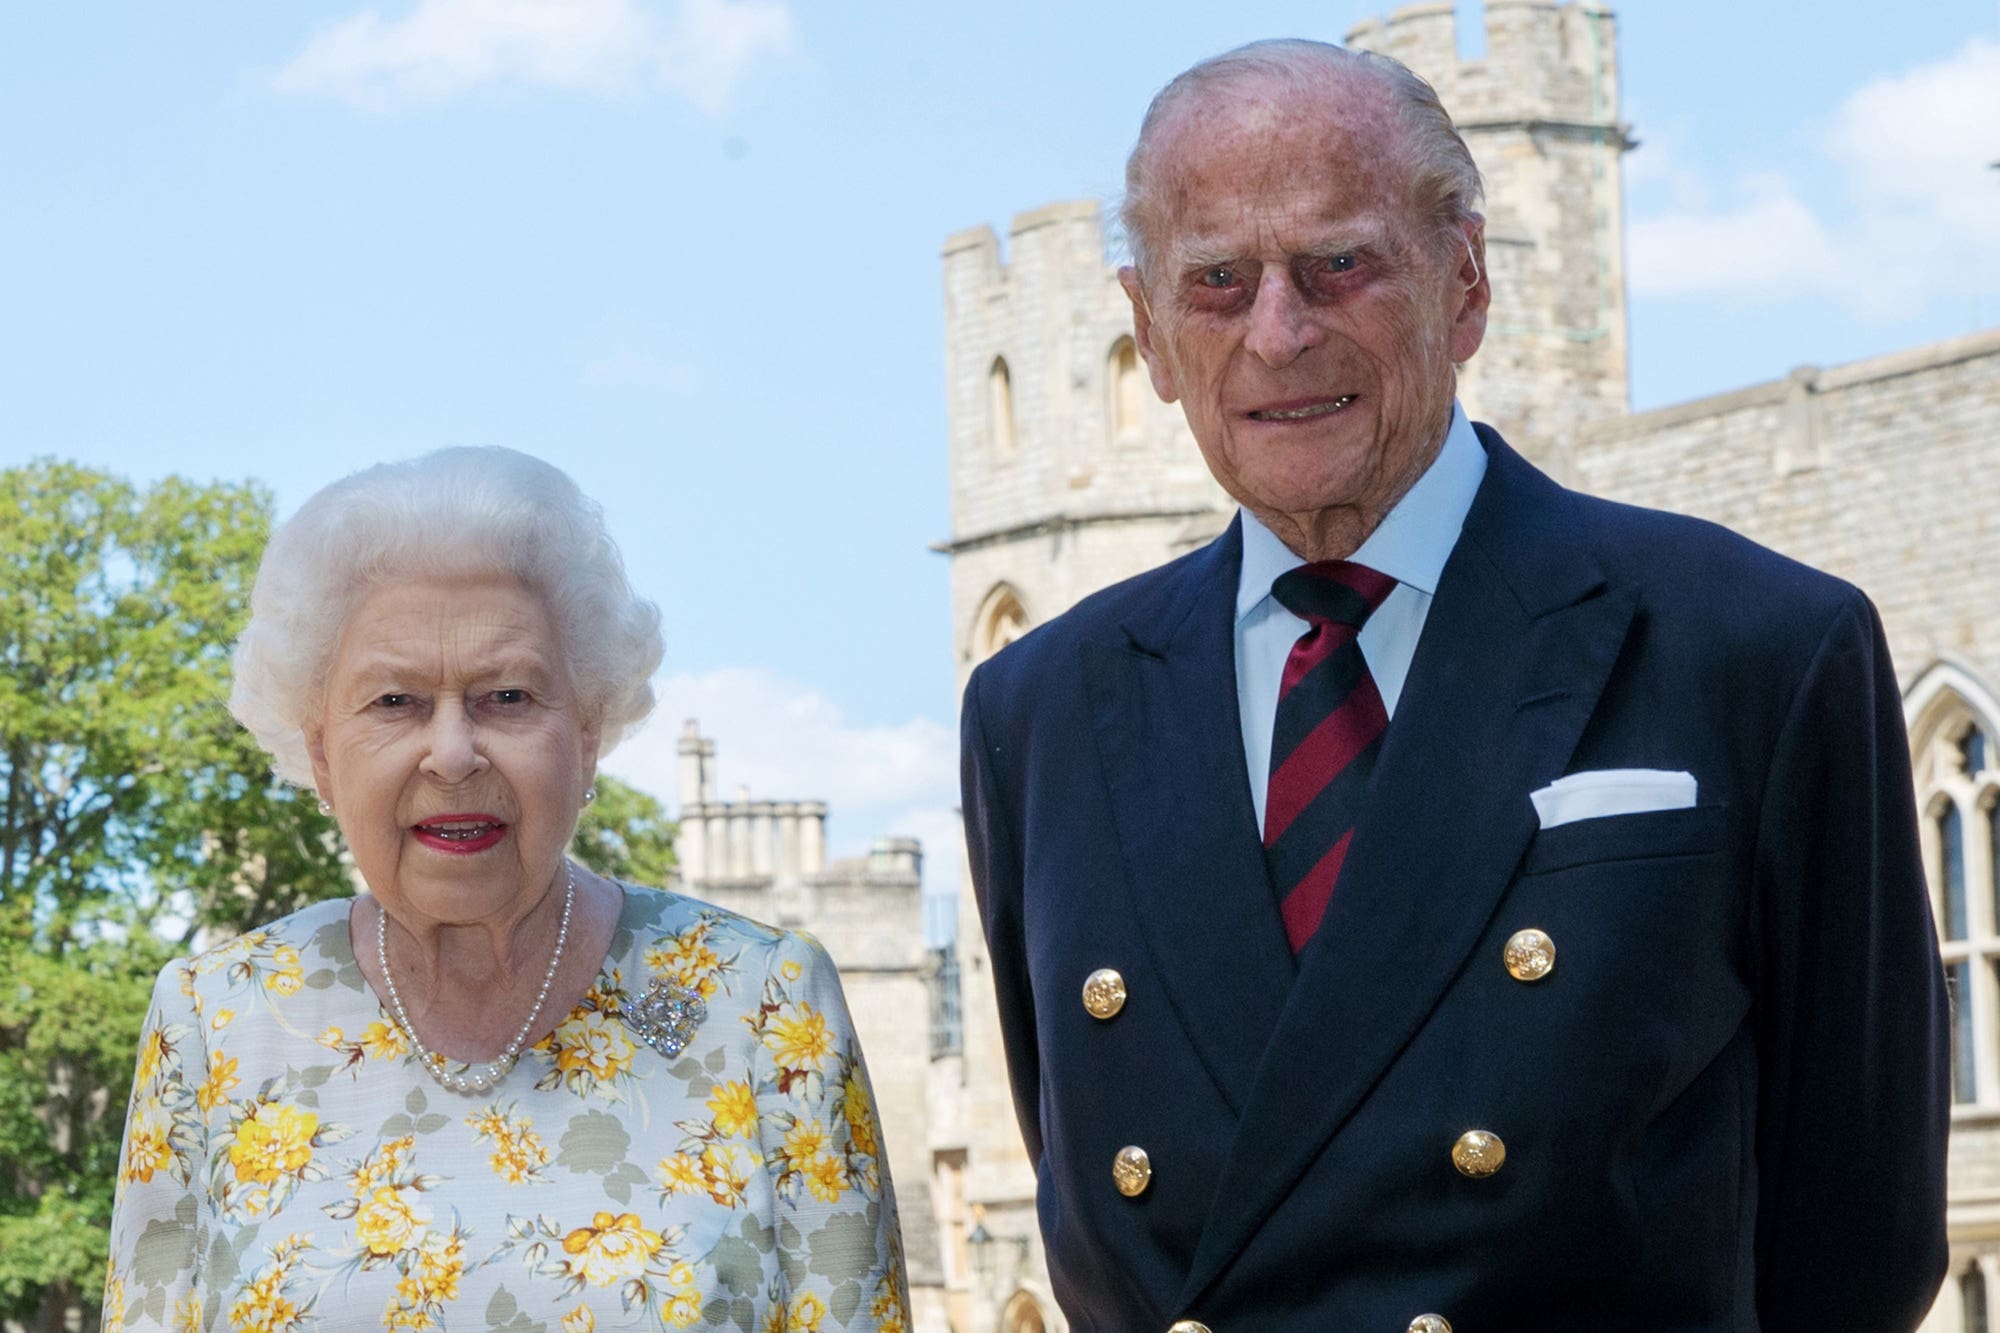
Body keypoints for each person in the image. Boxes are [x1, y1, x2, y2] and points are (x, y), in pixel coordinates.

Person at [959, 39, 1948, 1333]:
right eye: (1216, 281)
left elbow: (1859, 1244)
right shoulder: (1040, 709)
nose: (1279, 331)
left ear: (1466, 284)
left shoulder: (1758, 650)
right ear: (1147, 333)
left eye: (1339, 264)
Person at [104, 447, 908, 1333]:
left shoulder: (765, 1006)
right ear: (322, 752)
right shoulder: (213, 1022)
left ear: (590, 729)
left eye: (509, 696)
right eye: (396, 702)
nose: (452, 752)